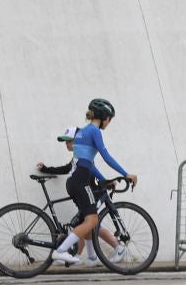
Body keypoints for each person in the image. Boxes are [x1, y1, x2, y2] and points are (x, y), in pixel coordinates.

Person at [51, 99, 137, 266]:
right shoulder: (95, 132)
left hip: (74, 181)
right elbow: (106, 156)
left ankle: (91, 258)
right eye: (109, 119)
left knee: (87, 219)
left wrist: (104, 180)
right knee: (92, 220)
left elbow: (87, 163)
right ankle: (60, 251)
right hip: (82, 180)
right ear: (104, 117)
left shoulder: (82, 132)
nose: (109, 123)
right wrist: (126, 174)